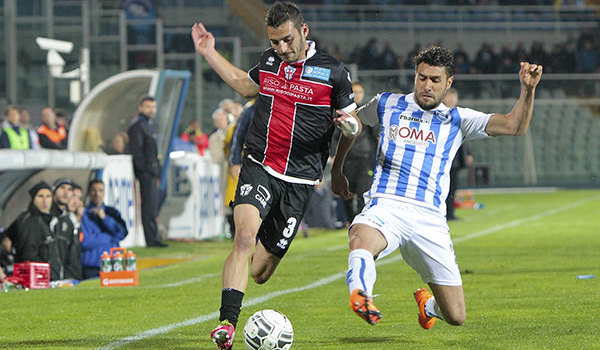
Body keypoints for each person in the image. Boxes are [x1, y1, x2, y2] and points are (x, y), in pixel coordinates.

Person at [332, 46, 542, 329]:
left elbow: (514, 125)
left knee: (456, 316)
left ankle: (428, 306)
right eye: (421, 78)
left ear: (449, 82)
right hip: (387, 205)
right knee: (360, 236)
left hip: (429, 219)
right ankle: (361, 294)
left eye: (434, 80)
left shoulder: (458, 118)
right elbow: (354, 123)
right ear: (415, 76)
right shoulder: (386, 103)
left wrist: (527, 90)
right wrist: (337, 168)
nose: (426, 86)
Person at [191, 2, 360, 348]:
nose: (281, 49)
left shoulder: (334, 73)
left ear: (304, 31)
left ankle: (247, 271)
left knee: (260, 273)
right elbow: (244, 84)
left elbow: (351, 129)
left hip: (299, 182)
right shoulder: (270, 62)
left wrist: (339, 168)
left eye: (286, 40)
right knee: (243, 238)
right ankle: (227, 324)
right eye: (274, 42)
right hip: (260, 164)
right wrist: (209, 52)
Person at [332, 82, 380, 225]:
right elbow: (335, 136)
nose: (357, 95)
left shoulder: (367, 112)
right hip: (346, 158)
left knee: (363, 190)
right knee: (347, 191)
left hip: (364, 158)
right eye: (355, 92)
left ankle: (362, 219)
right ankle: (350, 220)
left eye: (360, 92)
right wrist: (334, 155)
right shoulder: (341, 113)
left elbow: (375, 135)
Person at [127, 95, 168, 248]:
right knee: (149, 206)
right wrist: (146, 169)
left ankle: (153, 237)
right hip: (146, 172)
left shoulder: (146, 125)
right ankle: (151, 239)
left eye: (153, 107)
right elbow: (138, 151)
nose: (151, 110)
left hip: (150, 171)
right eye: (148, 107)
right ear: (140, 108)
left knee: (153, 204)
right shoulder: (138, 125)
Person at [80, 179, 128, 279]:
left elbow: (121, 234)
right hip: (91, 266)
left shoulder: (111, 212)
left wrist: (105, 219)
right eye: (94, 190)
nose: (97, 194)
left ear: (104, 192)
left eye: (100, 190)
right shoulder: (83, 214)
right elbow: (85, 241)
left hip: (113, 264)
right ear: (89, 193)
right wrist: (109, 237)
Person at [443, 88, 473, 221]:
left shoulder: (459, 115)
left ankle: (450, 213)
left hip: (456, 158)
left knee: (452, 187)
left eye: (454, 97)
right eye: (450, 96)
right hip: (443, 157)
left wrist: (468, 154)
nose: (452, 99)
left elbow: (465, 137)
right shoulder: (439, 113)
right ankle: (443, 213)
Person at [51, 178, 82, 281]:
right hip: (49, 277)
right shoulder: (47, 218)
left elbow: (72, 254)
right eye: (62, 188)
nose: (66, 192)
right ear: (54, 191)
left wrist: (74, 277)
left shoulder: (69, 222)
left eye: (69, 190)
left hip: (66, 277)